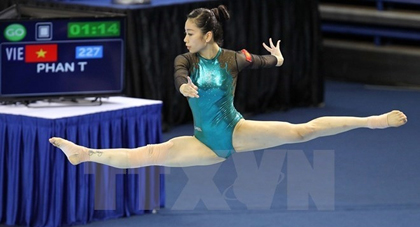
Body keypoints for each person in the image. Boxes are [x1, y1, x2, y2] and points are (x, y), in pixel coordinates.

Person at [49, 5, 407, 168]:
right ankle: (86, 154)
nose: (184, 38)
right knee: (150, 155)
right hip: (204, 142)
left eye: (189, 33)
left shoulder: (234, 59)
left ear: (207, 35)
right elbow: (178, 75)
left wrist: (278, 60)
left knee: (302, 132)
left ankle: (372, 120)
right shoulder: (185, 60)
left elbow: (263, 62)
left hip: (236, 130)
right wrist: (183, 88)